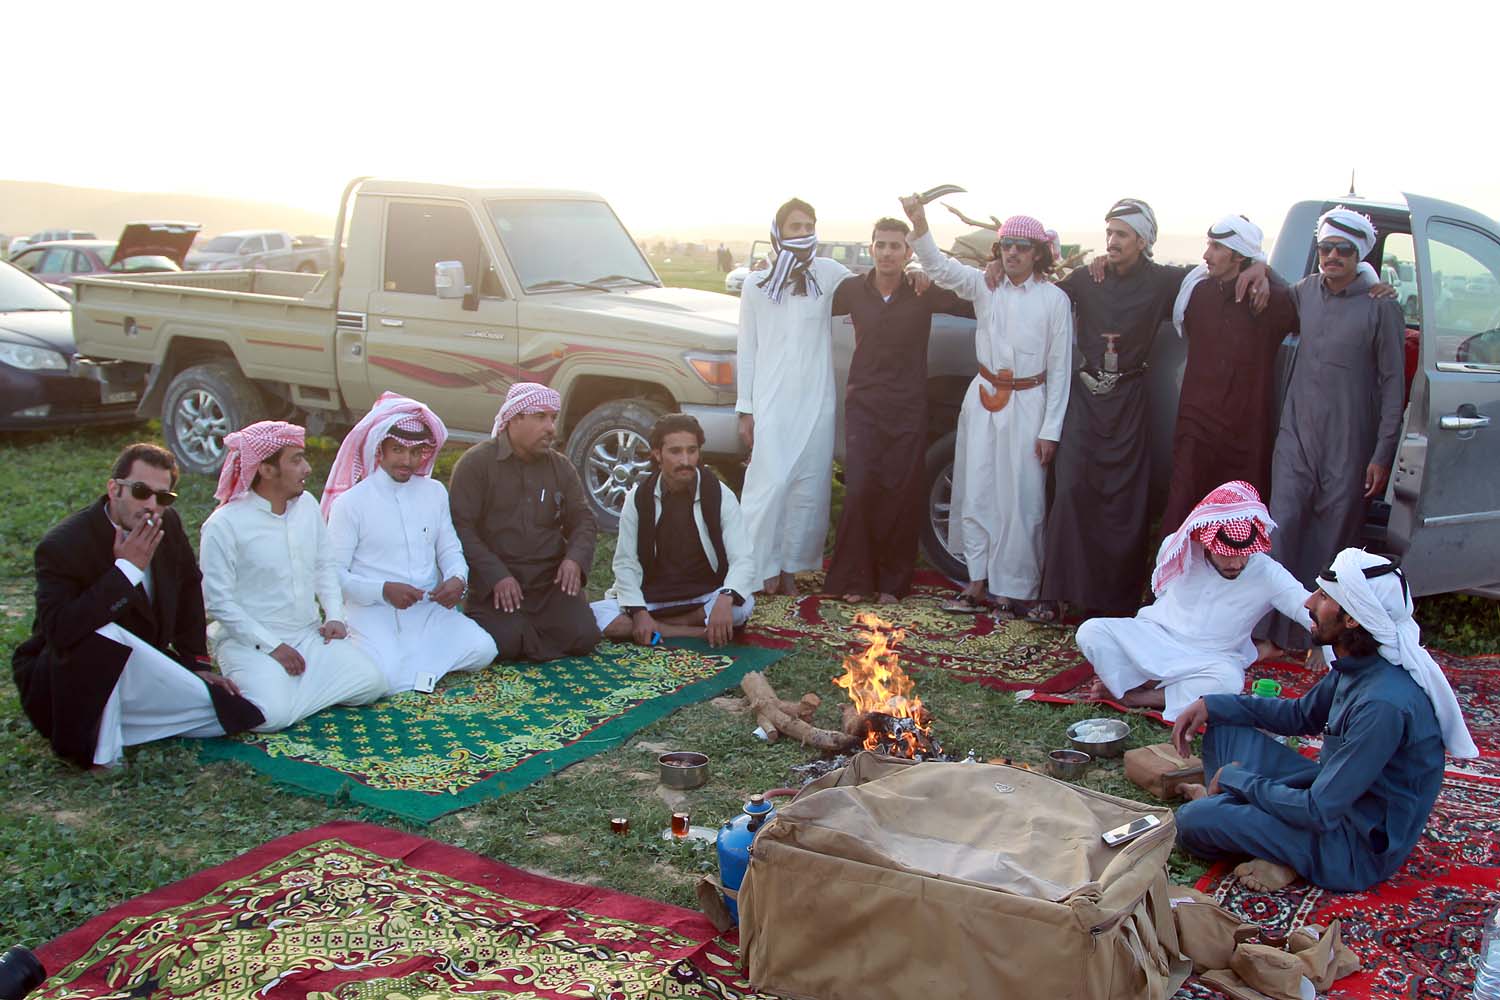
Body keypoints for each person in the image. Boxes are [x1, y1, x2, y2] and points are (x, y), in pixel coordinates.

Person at [1172, 547, 1476, 893]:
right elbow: (1301, 715)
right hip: (1328, 792)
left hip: (1349, 843)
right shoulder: (1363, 664)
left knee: (1192, 822)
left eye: (1323, 595)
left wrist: (1238, 781)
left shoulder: (1383, 705)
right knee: (1226, 724)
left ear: (1352, 619)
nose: (1308, 603)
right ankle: (1238, 812)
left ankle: (1279, 850)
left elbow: (1318, 811)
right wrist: (1211, 705)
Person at [1028, 199, 1265, 621]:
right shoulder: (1087, 277)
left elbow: (1210, 273)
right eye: (1109, 234)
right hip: (1085, 398)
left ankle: (1113, 601)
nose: (1112, 242)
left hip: (1128, 400)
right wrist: (996, 275)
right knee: (1072, 489)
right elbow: (1041, 300)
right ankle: (1056, 594)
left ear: (1142, 240)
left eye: (1121, 234)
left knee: (1122, 500)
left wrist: (1258, 266)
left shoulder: (1162, 281)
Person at [11, 443, 262, 769]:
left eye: (163, 497)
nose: (151, 505)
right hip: (68, 676)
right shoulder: (63, 545)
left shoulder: (166, 525)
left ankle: (126, 722)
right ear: (114, 489)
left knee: (236, 712)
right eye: (141, 491)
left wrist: (197, 662)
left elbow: (188, 589)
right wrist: (125, 571)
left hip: (140, 663)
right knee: (105, 634)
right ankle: (102, 748)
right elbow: (60, 632)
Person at [901, 199, 1072, 614]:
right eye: (1007, 245)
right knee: (975, 491)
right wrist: (920, 223)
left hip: (1030, 404)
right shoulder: (984, 285)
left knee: (1023, 499)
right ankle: (975, 582)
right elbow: (940, 268)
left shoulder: (1054, 300)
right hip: (981, 400)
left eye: (1022, 247)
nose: (1012, 253)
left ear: (1038, 254)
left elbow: (1060, 368)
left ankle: (1017, 590)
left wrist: (1051, 429)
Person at [1258, 207, 1407, 656]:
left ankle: (1314, 641)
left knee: (1332, 539)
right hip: (1297, 435)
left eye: (1344, 250)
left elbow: (1393, 384)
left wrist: (1382, 453)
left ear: (1360, 254)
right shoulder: (1304, 293)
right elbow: (1266, 293)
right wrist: (1252, 266)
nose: (1333, 257)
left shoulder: (1381, 305)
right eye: (1326, 248)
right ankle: (1268, 635)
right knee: (1281, 530)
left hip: (1350, 441)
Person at [822, 216, 974, 604]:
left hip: (907, 405)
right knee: (859, 489)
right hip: (864, 404)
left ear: (908, 252)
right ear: (871, 248)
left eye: (896, 246)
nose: (888, 252)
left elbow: (970, 296)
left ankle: (892, 583)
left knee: (899, 490)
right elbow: (805, 308)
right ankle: (854, 580)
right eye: (881, 245)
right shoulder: (852, 290)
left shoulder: (921, 289)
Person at [200, 422, 387, 731]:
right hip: (250, 641)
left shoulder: (307, 506)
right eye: (296, 459)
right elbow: (218, 603)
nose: (308, 468)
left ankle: (289, 693)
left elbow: (324, 565)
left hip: (307, 634)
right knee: (270, 717)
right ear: (266, 469)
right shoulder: (224, 525)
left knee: (372, 683)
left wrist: (335, 616)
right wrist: (273, 647)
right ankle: (282, 694)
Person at [1075, 481, 1310, 720]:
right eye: (1227, 554)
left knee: (1228, 682)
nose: (1236, 564)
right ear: (1206, 540)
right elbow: (1163, 594)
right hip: (1156, 638)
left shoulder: (1268, 574)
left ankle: (1139, 696)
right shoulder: (1178, 548)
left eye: (1244, 554)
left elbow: (1311, 611)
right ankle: (1150, 680)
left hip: (1211, 658)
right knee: (1091, 632)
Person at [324, 393, 497, 693]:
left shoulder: (434, 492)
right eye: (398, 450)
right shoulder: (350, 503)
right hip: (374, 612)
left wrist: (458, 578)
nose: (408, 460)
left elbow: (449, 547)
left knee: (484, 648)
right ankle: (413, 669)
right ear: (380, 450)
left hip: (427, 610)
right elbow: (332, 575)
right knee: (387, 679)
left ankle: (413, 669)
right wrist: (383, 590)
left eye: (416, 452)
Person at [736, 198, 855, 596]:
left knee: (809, 483)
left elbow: (871, 289)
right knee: (769, 483)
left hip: (816, 398)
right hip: (771, 399)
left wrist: (913, 272)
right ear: (778, 231)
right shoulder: (757, 284)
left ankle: (790, 570)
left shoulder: (829, 274)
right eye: (795, 226)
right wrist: (745, 408)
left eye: (808, 226)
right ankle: (755, 567)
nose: (802, 233)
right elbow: (747, 349)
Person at [1160, 216, 1298, 533]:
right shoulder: (1195, 294)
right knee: (1182, 517)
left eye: (1217, 247)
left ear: (1238, 255)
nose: (1206, 255)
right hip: (1196, 427)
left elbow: (1313, 302)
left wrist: (1262, 267)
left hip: (1245, 435)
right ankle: (1170, 583)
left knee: (1237, 523)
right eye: (1208, 245)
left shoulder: (1270, 299)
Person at [449, 382, 600, 661]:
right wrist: (498, 575)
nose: (551, 428)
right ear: (515, 419)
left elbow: (583, 519)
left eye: (552, 419)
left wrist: (574, 560)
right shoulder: (476, 465)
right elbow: (462, 529)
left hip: (548, 586)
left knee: (584, 635)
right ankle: (526, 634)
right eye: (541, 418)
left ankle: (531, 634)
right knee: (505, 642)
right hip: (497, 588)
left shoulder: (560, 467)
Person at [592, 413, 757, 645]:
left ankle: (660, 628)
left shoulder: (719, 495)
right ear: (657, 454)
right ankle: (693, 631)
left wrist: (725, 597)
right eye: (675, 451)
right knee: (595, 616)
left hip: (704, 594)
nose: (686, 460)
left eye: (692, 450)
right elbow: (626, 562)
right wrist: (639, 613)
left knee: (743, 605)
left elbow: (743, 558)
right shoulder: (639, 499)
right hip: (655, 595)